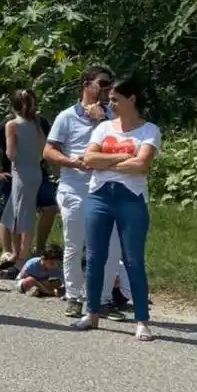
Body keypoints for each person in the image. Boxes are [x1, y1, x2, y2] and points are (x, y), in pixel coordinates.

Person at [72, 77, 160, 341]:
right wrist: (123, 157)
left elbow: (141, 165)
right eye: (109, 99)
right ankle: (92, 313)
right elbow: (89, 158)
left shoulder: (149, 130)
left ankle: (142, 320)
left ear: (131, 99)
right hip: (99, 196)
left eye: (115, 99)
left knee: (133, 260)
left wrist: (105, 162)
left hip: (130, 198)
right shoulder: (103, 128)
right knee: (94, 257)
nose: (110, 104)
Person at [44, 65, 128, 320]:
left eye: (110, 84)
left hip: (108, 187)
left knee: (112, 247)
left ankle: (102, 300)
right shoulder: (67, 117)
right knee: (76, 243)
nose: (107, 88)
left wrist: (102, 119)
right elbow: (48, 151)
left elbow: (126, 145)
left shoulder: (114, 117)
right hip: (75, 188)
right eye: (102, 83)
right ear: (86, 84)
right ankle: (74, 296)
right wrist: (72, 162)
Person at [0, 110, 60, 270]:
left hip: (37, 173)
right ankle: (7, 251)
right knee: (11, 213)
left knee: (50, 208)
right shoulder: (10, 123)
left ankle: (38, 249)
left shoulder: (40, 121)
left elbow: (49, 147)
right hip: (13, 174)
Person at [2, 89, 46, 270]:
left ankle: (22, 254)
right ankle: (19, 252)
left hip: (20, 173)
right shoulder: (36, 123)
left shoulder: (12, 125)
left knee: (21, 215)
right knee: (19, 211)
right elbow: (44, 148)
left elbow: (11, 153)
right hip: (35, 171)